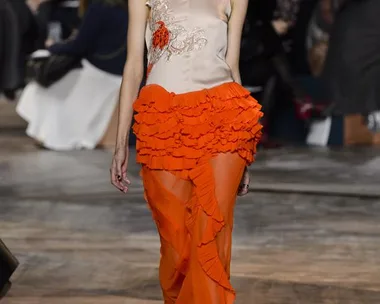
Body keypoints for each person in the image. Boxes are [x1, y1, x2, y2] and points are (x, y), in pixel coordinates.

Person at [110, 0, 262, 302]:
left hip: (224, 119)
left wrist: (246, 158)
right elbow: (133, 67)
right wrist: (119, 142)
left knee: (212, 235)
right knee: (176, 244)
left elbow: (232, 65)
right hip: (162, 121)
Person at [17, 0, 128, 150]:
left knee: (45, 82)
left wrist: (53, 48)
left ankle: (47, 133)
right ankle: (48, 133)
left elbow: (80, 45)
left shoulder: (99, 7)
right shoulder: (129, 8)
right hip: (118, 74)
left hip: (97, 71)